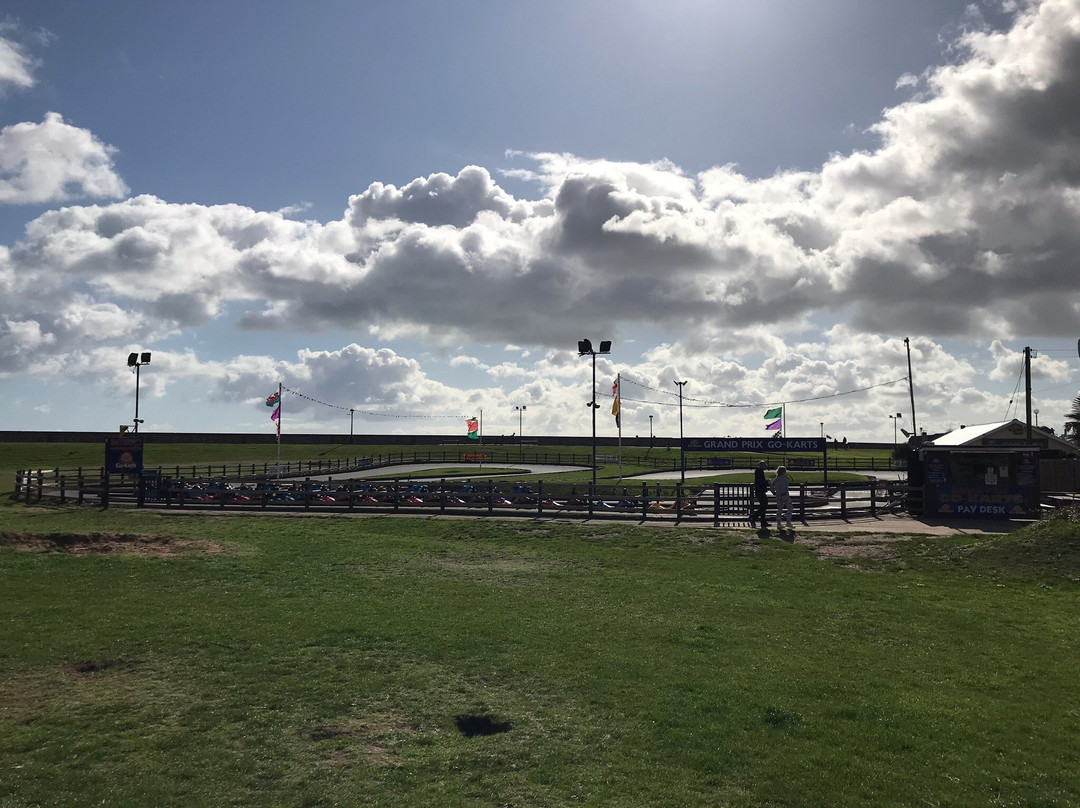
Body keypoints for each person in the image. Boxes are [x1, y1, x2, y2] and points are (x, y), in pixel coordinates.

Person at [770, 466, 794, 530]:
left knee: (780, 509)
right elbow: (785, 487)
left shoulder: (777, 478)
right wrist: (784, 493)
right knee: (790, 508)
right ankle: (788, 521)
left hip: (778, 495)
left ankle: (779, 523)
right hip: (784, 495)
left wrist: (773, 492)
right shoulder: (784, 478)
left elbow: (771, 485)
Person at [752, 460, 769, 528]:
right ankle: (754, 517)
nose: (766, 466)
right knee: (763, 506)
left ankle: (763, 521)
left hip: (759, 491)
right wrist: (766, 482)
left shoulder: (758, 472)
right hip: (760, 491)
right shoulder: (760, 472)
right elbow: (761, 482)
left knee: (763, 506)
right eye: (765, 465)